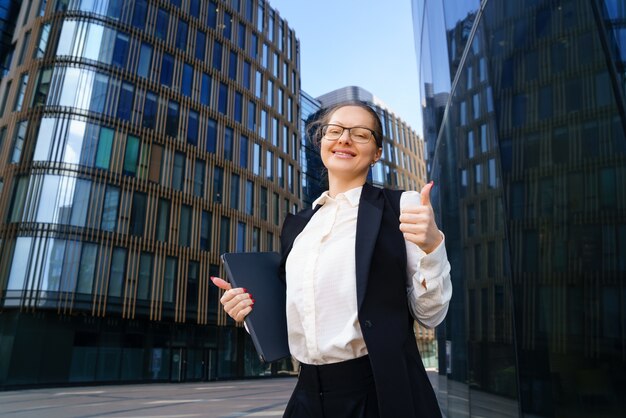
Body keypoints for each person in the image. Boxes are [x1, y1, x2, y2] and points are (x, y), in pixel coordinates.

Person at [211, 101, 452, 418]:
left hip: (376, 391)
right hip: (306, 393)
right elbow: (299, 316)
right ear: (321, 142)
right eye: (334, 131)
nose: (344, 139)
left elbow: (430, 315)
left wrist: (433, 247)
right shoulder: (298, 226)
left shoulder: (400, 207)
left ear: (377, 152)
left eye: (361, 134)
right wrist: (248, 314)